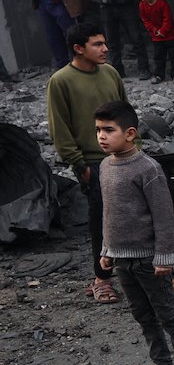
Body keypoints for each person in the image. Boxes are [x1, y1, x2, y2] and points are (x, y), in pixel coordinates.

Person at [95, 100, 174, 365]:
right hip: (121, 260)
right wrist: (106, 250)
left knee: (167, 312)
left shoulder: (148, 169)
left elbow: (164, 215)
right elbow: (109, 212)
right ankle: (161, 364)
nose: (101, 136)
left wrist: (164, 256)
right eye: (98, 130)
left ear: (130, 133)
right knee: (142, 313)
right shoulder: (105, 166)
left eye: (109, 130)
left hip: (149, 260)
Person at [48, 22, 126, 304]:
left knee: (141, 215)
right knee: (101, 220)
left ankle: (160, 275)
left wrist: (135, 148)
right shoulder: (61, 81)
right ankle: (101, 279)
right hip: (93, 161)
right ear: (78, 49)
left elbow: (126, 113)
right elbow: (60, 128)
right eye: (97, 44)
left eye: (105, 43)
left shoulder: (110, 73)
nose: (105, 49)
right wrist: (81, 166)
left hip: (124, 156)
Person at [136, 0, 174, 83]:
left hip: (170, 36)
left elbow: (168, 19)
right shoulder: (142, 5)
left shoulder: (162, 4)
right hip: (156, 36)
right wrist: (154, 30)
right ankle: (159, 75)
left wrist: (163, 30)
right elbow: (145, 20)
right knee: (158, 57)